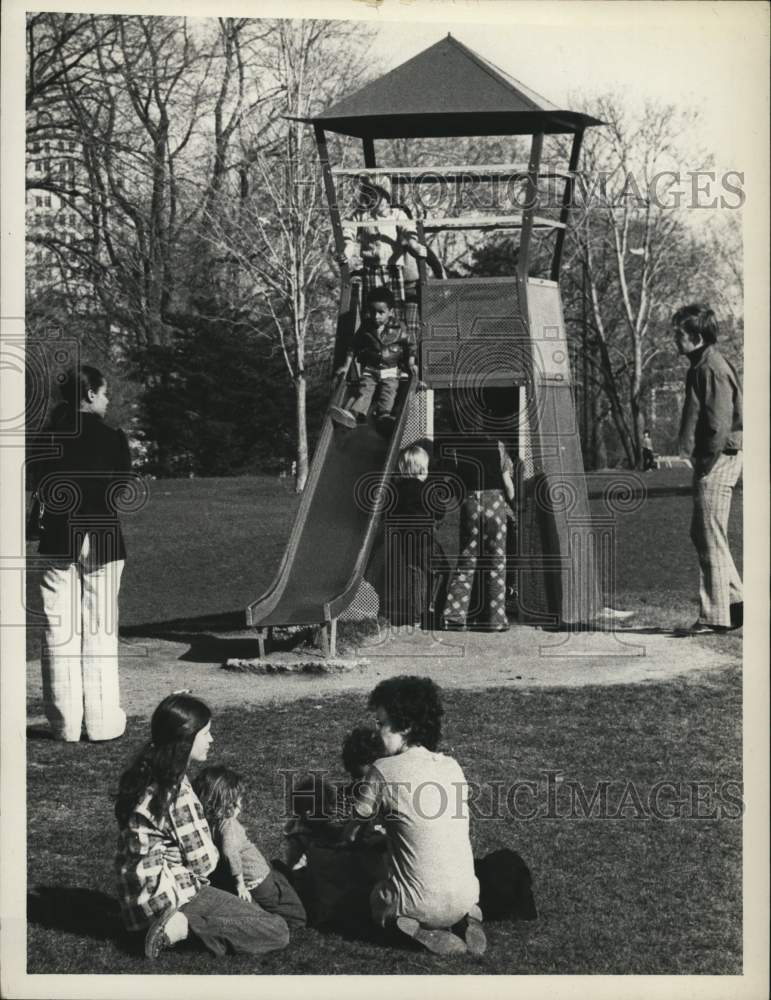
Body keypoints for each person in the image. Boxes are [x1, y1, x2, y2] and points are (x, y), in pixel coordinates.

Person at [114, 693, 290, 960]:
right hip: (170, 901)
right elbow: (205, 863)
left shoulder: (146, 775)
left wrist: (178, 853)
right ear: (185, 740)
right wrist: (207, 849)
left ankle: (182, 926)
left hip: (136, 905)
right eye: (206, 733)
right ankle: (183, 927)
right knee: (276, 929)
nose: (212, 739)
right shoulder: (175, 793)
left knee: (246, 909)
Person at [345, 676, 485, 957]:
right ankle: (470, 918)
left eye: (381, 724)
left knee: (374, 895)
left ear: (406, 726)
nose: (377, 733)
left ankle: (411, 926)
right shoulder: (451, 766)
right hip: (467, 896)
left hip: (418, 904)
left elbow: (351, 831)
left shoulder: (383, 769)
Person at [35, 365, 132, 742]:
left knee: (57, 629)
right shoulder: (112, 438)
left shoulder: (47, 437)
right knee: (99, 629)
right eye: (104, 393)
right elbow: (120, 488)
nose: (108, 400)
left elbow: (37, 484)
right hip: (102, 536)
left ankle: (65, 724)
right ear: (90, 395)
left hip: (58, 537)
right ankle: (102, 721)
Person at [673, 303, 743, 634]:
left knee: (709, 535)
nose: (675, 339)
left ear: (697, 336)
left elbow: (718, 423)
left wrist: (705, 462)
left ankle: (715, 616)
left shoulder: (710, 368)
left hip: (719, 457)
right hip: (716, 456)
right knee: (703, 532)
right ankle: (736, 601)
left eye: (680, 334)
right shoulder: (702, 365)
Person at [192, 765, 306, 929]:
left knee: (279, 871)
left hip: (252, 877)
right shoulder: (228, 824)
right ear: (229, 803)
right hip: (257, 879)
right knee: (296, 915)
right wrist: (240, 883)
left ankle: (255, 909)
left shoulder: (208, 822)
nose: (241, 805)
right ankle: (269, 920)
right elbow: (230, 852)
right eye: (239, 800)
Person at [442, 405, 516, 632]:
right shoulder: (498, 446)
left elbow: (452, 483)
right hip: (496, 504)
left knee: (467, 559)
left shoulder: (455, 449)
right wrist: (512, 504)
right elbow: (508, 486)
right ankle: (495, 620)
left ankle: (454, 617)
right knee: (497, 562)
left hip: (470, 504)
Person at [330, 286, 420, 435]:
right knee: (365, 389)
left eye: (381, 312)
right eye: (372, 312)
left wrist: (411, 362)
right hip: (371, 368)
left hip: (390, 369)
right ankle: (354, 414)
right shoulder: (366, 327)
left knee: (389, 390)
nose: (376, 316)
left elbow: (411, 345)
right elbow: (353, 346)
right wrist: (346, 365)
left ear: (390, 312)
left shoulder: (399, 328)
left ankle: (384, 415)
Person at [382, 444, 450, 628]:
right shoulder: (425, 488)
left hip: (406, 540)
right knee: (441, 570)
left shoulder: (397, 489)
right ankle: (434, 610)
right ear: (421, 469)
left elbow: (389, 513)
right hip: (424, 540)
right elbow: (440, 511)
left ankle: (417, 615)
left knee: (416, 574)